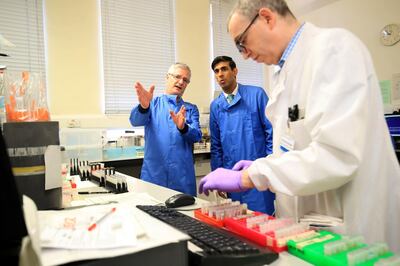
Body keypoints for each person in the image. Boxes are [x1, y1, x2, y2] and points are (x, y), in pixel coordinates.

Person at [199, 0, 400, 252]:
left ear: (267, 17)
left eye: (242, 42)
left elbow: (337, 155)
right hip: (309, 227)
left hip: (350, 227)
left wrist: (250, 176)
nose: (244, 54)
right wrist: (268, 164)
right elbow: (294, 145)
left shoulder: (333, 49)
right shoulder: (283, 73)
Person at [209, 55, 275, 214]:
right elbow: (216, 146)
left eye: (224, 69)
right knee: (237, 223)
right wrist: (219, 177)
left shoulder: (256, 95)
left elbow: (271, 133)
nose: (220, 74)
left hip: (257, 173)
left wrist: (271, 167)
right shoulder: (216, 106)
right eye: (216, 71)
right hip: (232, 177)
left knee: (262, 221)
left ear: (235, 71)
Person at [130, 63, 202, 196]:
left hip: (183, 179)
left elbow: (197, 136)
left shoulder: (190, 109)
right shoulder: (152, 103)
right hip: (154, 177)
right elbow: (135, 121)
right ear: (167, 77)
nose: (181, 82)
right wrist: (143, 107)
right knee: (151, 213)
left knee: (184, 215)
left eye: (185, 80)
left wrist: (183, 127)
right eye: (177, 77)